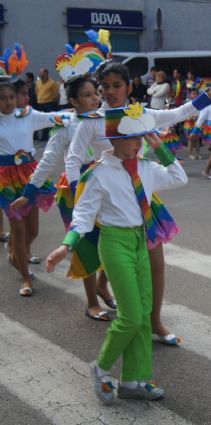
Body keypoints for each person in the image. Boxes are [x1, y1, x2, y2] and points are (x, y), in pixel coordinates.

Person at [66, 61, 211, 345]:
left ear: (129, 87)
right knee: (107, 254)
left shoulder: (141, 114)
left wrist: (209, 96)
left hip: (142, 199)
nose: (109, 92)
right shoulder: (93, 120)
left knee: (156, 262)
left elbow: (178, 113)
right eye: (104, 86)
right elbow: (73, 159)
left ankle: (155, 320)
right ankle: (107, 299)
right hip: (107, 199)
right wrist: (79, 193)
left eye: (117, 85)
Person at [46, 111, 188, 405]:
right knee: (131, 316)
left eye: (140, 137)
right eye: (132, 138)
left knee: (145, 312)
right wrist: (67, 245)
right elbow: (83, 216)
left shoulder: (146, 168)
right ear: (113, 139)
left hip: (141, 240)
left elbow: (179, 176)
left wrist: (159, 146)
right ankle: (100, 367)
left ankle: (134, 380)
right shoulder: (97, 174)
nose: (138, 143)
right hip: (114, 243)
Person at [11, 39, 116, 319]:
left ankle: (104, 286)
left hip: (109, 185)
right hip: (76, 188)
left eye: (96, 93)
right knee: (85, 244)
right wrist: (30, 191)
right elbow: (47, 160)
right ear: (72, 101)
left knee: (114, 238)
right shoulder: (66, 126)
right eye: (88, 95)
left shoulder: (107, 117)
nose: (95, 98)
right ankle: (92, 301)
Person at [0, 43, 64, 296]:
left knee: (33, 229)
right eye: (2, 99)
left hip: (29, 175)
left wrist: (79, 113)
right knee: (17, 228)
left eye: (11, 98)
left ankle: (17, 254)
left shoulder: (26, 115)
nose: (7, 102)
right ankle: (25, 277)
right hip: (5, 179)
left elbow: (56, 118)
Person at [35, 68, 60, 140]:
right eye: (40, 73)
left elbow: (56, 94)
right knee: (42, 120)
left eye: (42, 73)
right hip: (40, 103)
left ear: (46, 74)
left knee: (49, 120)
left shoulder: (52, 83)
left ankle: (51, 136)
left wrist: (54, 103)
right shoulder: (38, 82)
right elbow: (36, 92)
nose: (40, 75)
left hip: (49, 103)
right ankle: (44, 136)